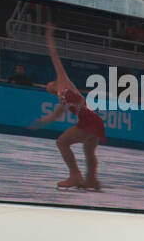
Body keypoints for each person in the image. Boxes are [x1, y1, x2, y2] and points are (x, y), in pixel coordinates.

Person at [28, 21, 107, 191]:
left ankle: (75, 175)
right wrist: (41, 122)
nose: (46, 86)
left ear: (53, 83)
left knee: (62, 143)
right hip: (93, 119)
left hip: (89, 119)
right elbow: (54, 116)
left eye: (47, 85)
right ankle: (92, 180)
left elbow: (54, 55)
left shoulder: (63, 80)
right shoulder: (61, 98)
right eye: (47, 88)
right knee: (89, 152)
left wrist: (48, 35)